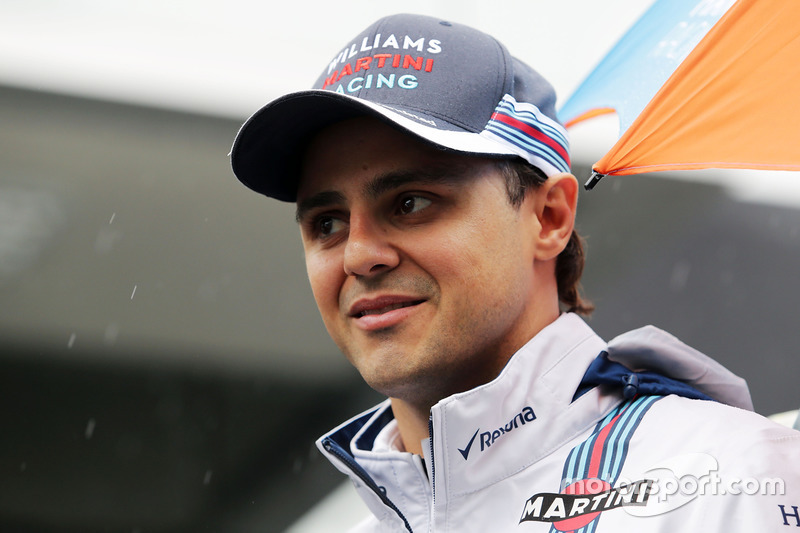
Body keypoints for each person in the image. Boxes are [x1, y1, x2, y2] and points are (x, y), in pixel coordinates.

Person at [230, 13, 800, 532]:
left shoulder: (732, 483)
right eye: (327, 223)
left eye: (410, 203)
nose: (358, 255)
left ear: (549, 217)